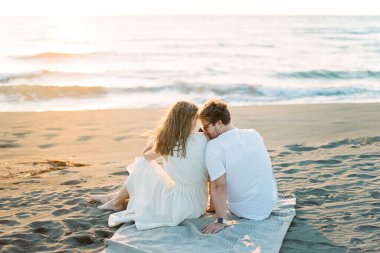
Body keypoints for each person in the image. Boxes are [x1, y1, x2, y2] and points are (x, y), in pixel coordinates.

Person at [90, 101, 209, 230]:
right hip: (198, 204)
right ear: (191, 119)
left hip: (179, 206)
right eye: (196, 119)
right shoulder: (203, 138)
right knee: (156, 174)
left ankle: (116, 200)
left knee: (142, 164)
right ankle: (114, 198)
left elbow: (146, 155)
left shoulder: (168, 143)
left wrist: (161, 136)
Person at [199, 99, 278, 234]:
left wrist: (220, 221)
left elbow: (219, 186)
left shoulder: (214, 146)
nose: (205, 131)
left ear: (219, 123)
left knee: (215, 179)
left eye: (206, 127)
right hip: (269, 203)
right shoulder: (253, 133)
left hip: (246, 209)